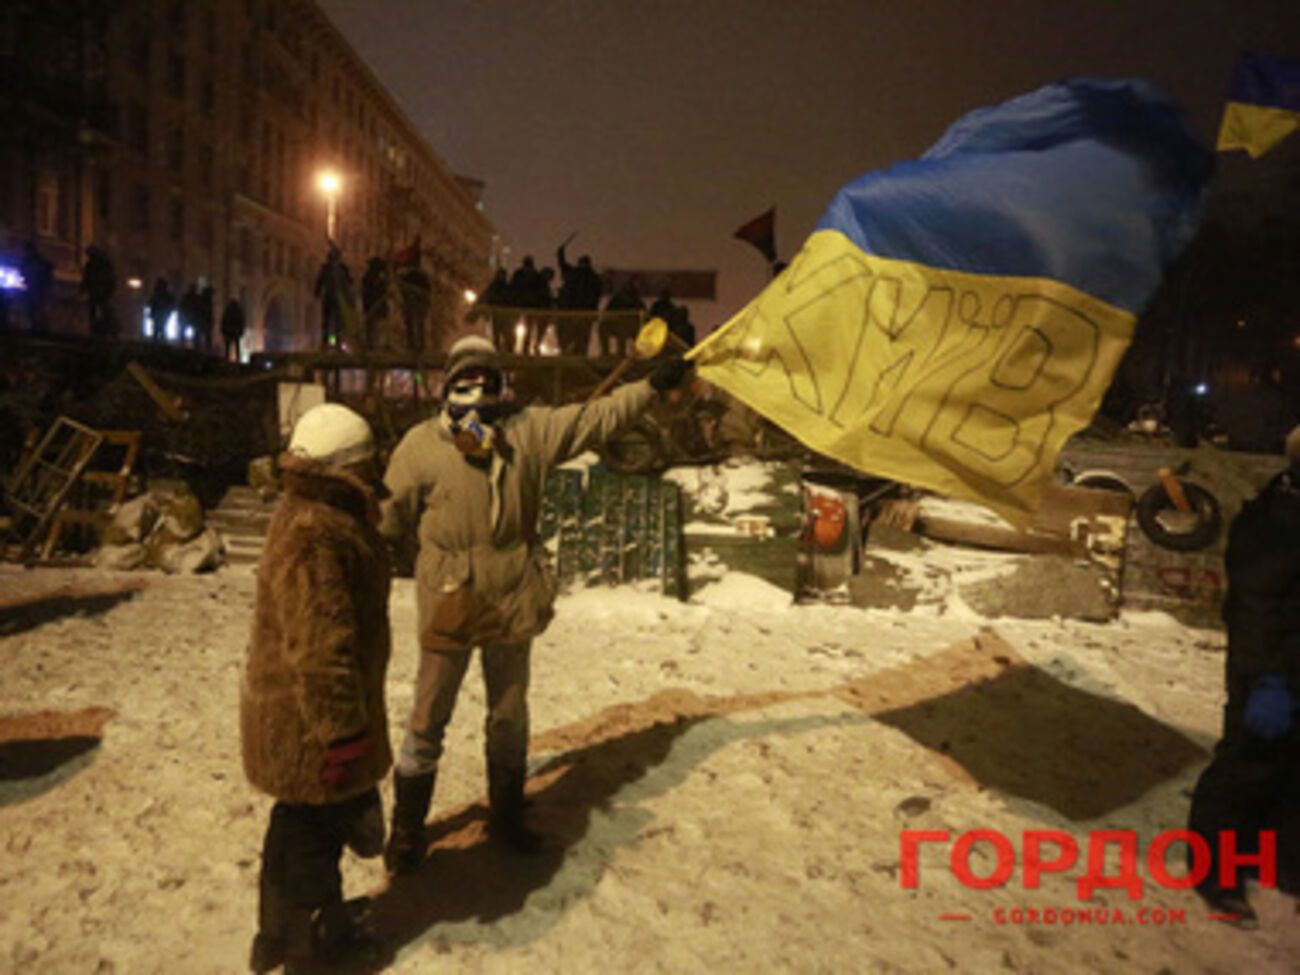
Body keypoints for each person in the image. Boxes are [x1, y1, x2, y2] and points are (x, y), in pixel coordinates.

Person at [379, 335, 694, 874]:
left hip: (512, 595)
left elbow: (598, 416)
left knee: (508, 717)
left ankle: (505, 817)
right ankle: (407, 832)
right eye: (465, 379)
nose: (477, 390)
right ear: (447, 384)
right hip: (450, 595)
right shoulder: (421, 445)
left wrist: (650, 387)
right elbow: (386, 518)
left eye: (486, 378)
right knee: (429, 716)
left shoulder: (530, 433)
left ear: (501, 383)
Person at [241, 403, 394, 972]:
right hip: (310, 721)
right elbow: (322, 647)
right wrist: (343, 735)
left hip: (289, 709)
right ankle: (314, 950)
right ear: (347, 466)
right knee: (316, 834)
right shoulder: (318, 531)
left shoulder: (309, 513)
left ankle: (275, 936)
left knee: (293, 823)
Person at [1187, 424, 1300, 927]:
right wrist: (1266, 684)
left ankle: (1283, 864)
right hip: (1268, 673)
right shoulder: (1274, 521)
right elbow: (1255, 608)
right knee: (1247, 763)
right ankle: (1217, 876)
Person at [313, 244, 353, 350]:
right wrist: (317, 292)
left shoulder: (342, 269)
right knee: (328, 321)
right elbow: (320, 281)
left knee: (337, 322)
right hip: (330, 297)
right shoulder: (328, 268)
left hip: (337, 298)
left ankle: (336, 342)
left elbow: (349, 283)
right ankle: (326, 342)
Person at [80, 246, 116, 337]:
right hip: (98, 292)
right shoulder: (95, 265)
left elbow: (87, 278)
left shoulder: (100, 265)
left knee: (100, 310)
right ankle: (97, 328)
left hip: (100, 292)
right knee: (95, 310)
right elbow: (87, 278)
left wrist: (83, 288)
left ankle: (103, 327)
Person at [19, 240, 53, 334]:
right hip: (31, 288)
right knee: (31, 308)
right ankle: (34, 325)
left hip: (38, 288)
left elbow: (46, 275)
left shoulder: (39, 262)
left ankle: (40, 326)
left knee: (39, 308)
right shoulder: (27, 261)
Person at [147, 278, 175, 342]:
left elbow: (150, 303)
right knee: (160, 330)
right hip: (161, 315)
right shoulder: (164, 295)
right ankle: (161, 345)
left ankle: (158, 345)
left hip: (160, 315)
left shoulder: (157, 294)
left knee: (158, 330)